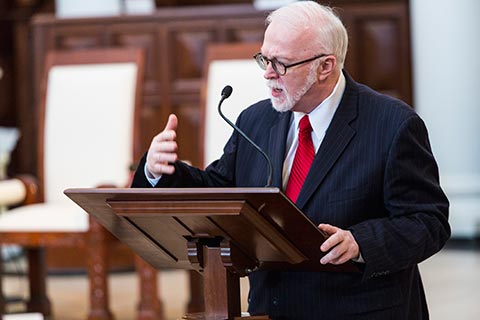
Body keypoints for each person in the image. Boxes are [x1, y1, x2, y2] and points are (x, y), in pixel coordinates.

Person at [131, 1, 450, 319]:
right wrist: (160, 171)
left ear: (325, 66)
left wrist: (360, 243)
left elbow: (428, 222)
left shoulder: (392, 124)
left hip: (358, 310)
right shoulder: (255, 119)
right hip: (273, 309)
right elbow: (220, 190)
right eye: (264, 59)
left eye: (280, 64)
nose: (268, 74)